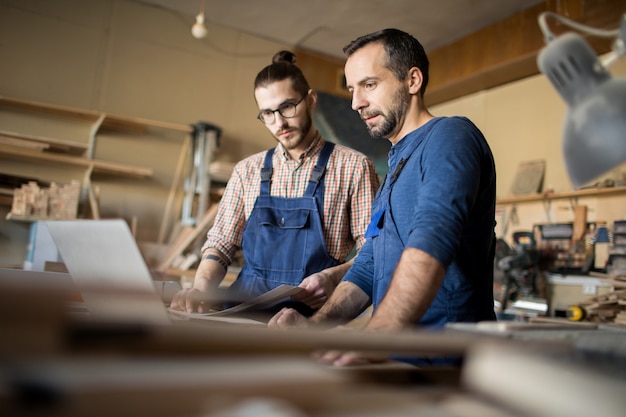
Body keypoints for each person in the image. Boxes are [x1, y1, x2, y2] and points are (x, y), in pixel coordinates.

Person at [268, 29, 497, 365]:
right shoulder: (395, 168)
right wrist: (312, 329)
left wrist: (373, 336)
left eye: (369, 85)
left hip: (444, 365)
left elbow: (432, 241)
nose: (356, 102)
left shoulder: (450, 136)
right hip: (394, 359)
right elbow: (368, 266)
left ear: (413, 80)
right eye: (352, 89)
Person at [170, 50, 379, 318]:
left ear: (311, 100)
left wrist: (331, 277)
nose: (279, 122)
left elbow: (372, 252)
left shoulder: (353, 166)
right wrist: (199, 289)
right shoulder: (248, 171)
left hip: (311, 321)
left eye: (287, 107)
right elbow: (221, 244)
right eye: (267, 114)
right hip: (242, 314)